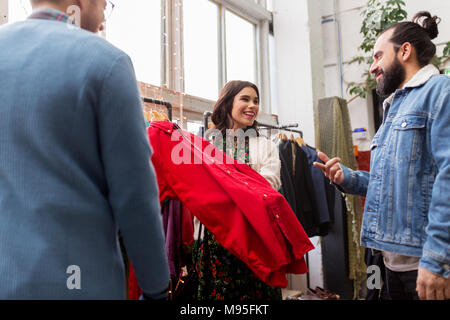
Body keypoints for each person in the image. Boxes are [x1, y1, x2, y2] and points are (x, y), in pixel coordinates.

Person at [0, 0, 169, 299]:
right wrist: (156, 288)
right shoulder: (107, 63)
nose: (104, 16)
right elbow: (134, 195)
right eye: (106, 3)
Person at [314, 12, 449, 300]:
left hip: (423, 264)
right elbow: (391, 181)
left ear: (405, 51)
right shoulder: (394, 107)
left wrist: (437, 259)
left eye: (377, 56)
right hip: (386, 261)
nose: (373, 66)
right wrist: (347, 178)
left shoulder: (441, 92)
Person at [194, 80, 283, 300]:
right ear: (227, 103)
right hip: (214, 244)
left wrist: (224, 188)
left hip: (256, 242)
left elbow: (268, 187)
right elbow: (197, 194)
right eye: (245, 99)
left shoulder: (266, 146)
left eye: (256, 101)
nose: (252, 105)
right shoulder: (204, 146)